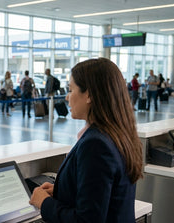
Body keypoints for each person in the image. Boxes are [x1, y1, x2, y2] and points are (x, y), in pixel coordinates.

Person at [29, 58, 143, 223]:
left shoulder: (96, 145)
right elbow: (102, 194)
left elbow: (87, 220)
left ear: (89, 95)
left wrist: (45, 203)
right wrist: (63, 191)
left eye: (71, 90)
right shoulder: (119, 134)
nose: (67, 97)